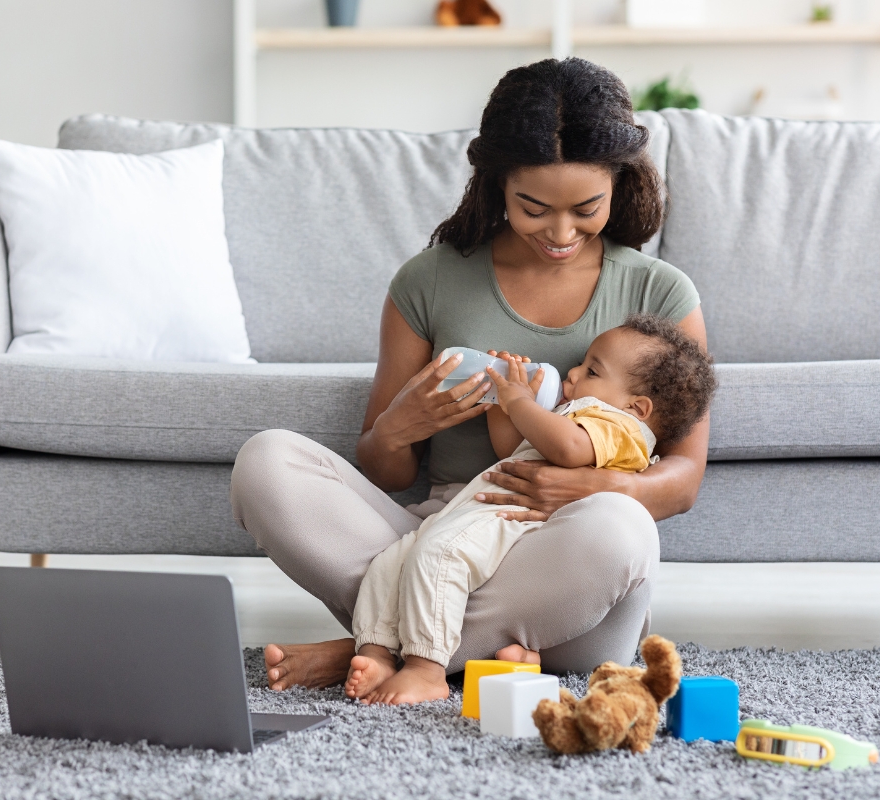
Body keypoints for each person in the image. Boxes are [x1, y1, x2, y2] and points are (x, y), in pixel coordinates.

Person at [230, 56, 709, 693]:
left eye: (586, 208)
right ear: (495, 184)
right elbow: (384, 470)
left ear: (620, 185)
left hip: (568, 578)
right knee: (266, 461)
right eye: (533, 208)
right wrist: (399, 429)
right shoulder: (430, 281)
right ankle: (456, 648)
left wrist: (590, 486)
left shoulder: (660, 293)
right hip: (440, 532)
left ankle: (378, 649)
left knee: (622, 531)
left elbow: (682, 480)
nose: (561, 232)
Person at [346, 315, 717, 704]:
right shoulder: (578, 416)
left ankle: (426, 670)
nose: (573, 373)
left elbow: (569, 449)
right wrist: (501, 406)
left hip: (514, 522)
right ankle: (375, 653)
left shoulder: (622, 429)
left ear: (637, 407)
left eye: (591, 370)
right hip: (480, 514)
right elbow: (513, 452)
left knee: (439, 557)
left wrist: (521, 401)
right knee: (392, 562)